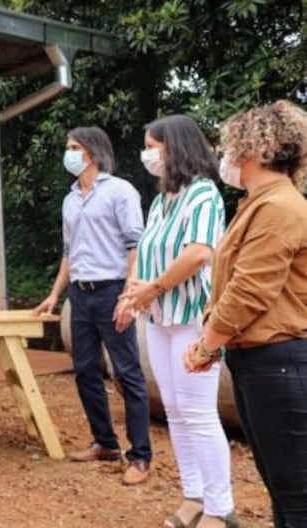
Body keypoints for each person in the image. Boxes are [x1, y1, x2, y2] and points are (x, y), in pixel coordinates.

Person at [185, 100, 307, 528]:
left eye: (232, 147)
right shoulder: (260, 203)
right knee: (282, 486)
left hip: (279, 362)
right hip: (261, 362)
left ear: (253, 150)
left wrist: (206, 344)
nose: (227, 157)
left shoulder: (278, 208)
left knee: (296, 496)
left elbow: (250, 289)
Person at [118, 116, 236, 527]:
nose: (148, 155)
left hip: (191, 318)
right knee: (175, 410)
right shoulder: (163, 200)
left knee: (199, 412)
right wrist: (133, 293)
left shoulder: (204, 196)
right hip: (159, 319)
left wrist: (153, 288)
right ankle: (193, 496)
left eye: (155, 146)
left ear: (177, 148)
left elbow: (200, 252)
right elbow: (148, 255)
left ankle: (220, 510)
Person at [32, 126, 152, 485]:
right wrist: (55, 294)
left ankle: (140, 455)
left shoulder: (120, 191)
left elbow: (136, 245)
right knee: (85, 371)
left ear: (93, 152)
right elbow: (70, 253)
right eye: (67, 146)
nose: (68, 153)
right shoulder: (70, 200)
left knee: (127, 373)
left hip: (113, 288)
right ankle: (105, 442)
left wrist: (129, 295)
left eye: (74, 147)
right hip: (80, 295)